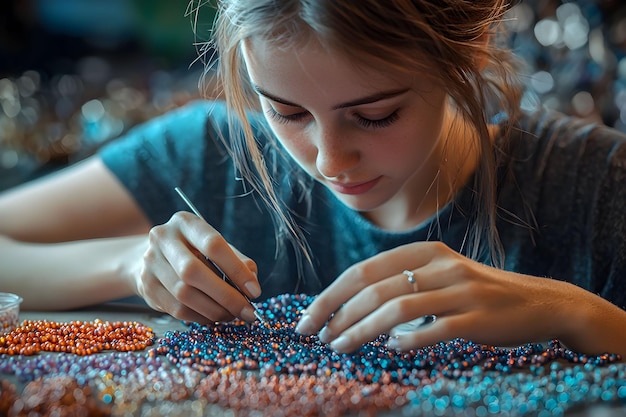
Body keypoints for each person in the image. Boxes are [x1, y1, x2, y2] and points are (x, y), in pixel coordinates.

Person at [1, 0, 626, 358]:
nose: (329, 160)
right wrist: (129, 265)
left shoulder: (596, 183)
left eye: (376, 115)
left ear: (470, 54)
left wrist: (572, 313)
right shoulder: (212, 153)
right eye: (287, 112)